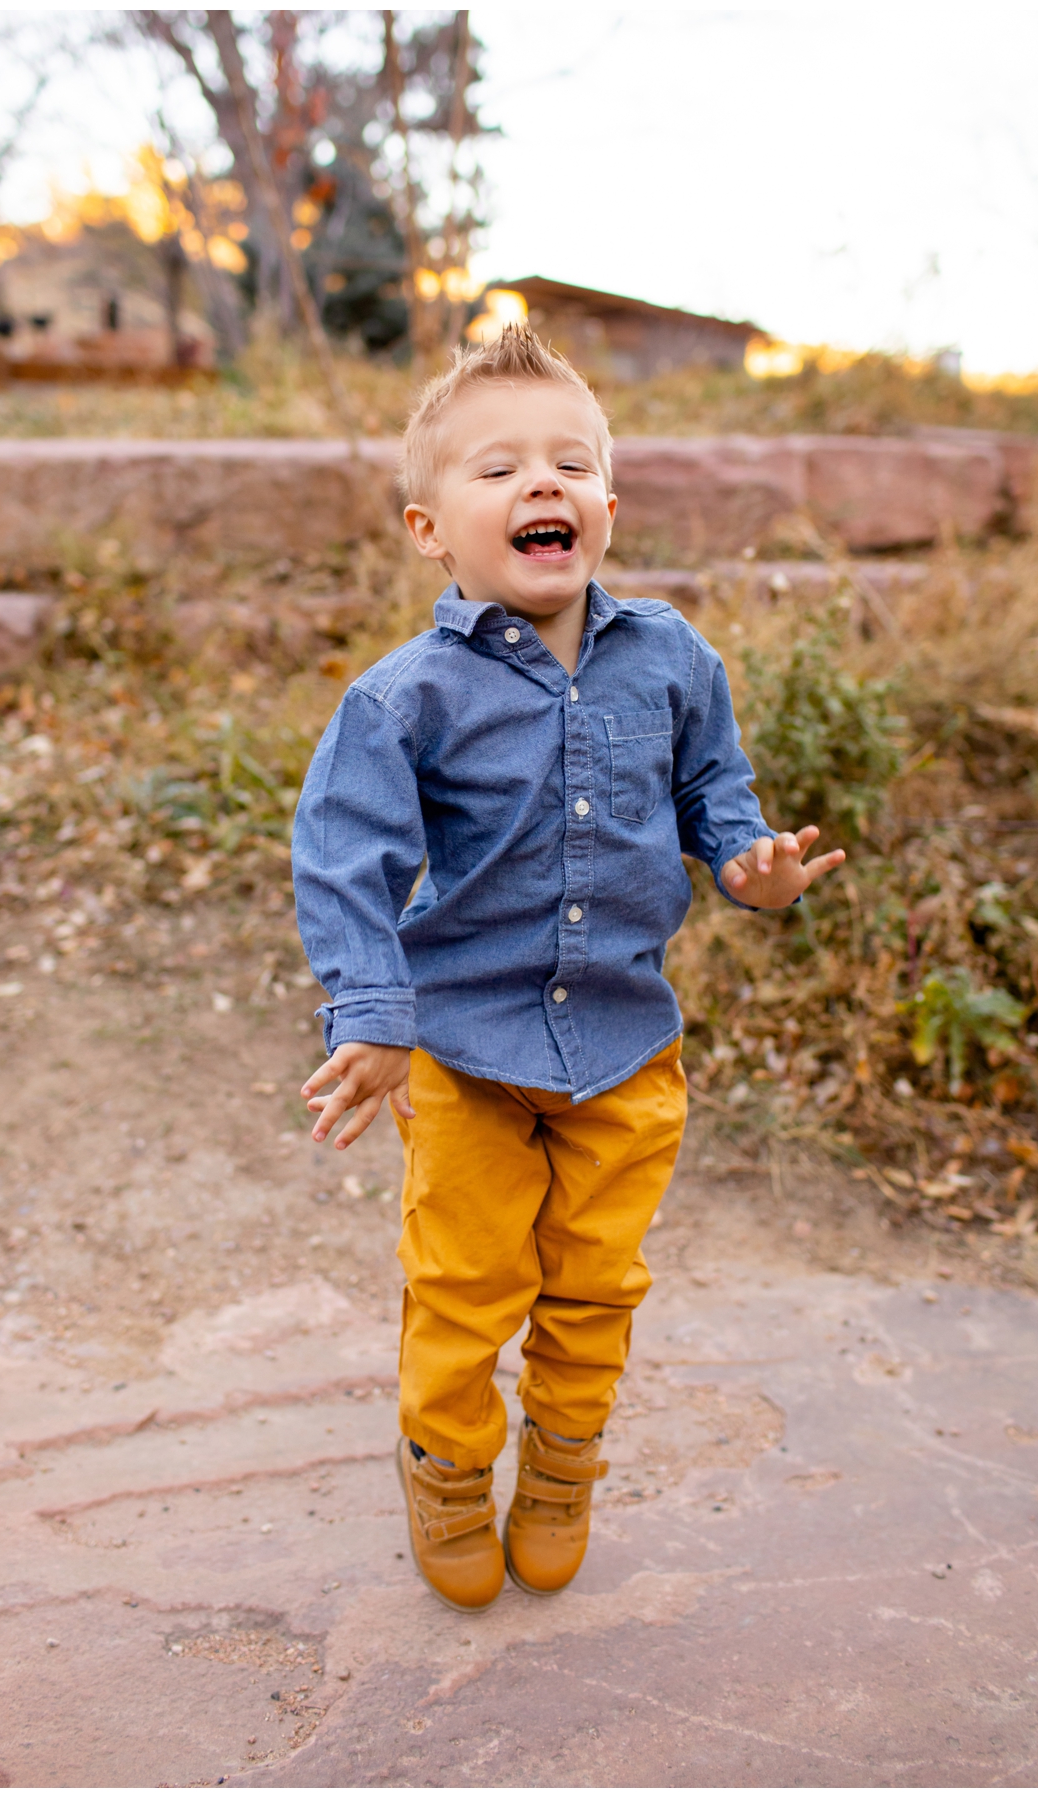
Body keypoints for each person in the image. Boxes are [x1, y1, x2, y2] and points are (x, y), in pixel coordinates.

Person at [291, 325, 844, 1613]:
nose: (544, 485)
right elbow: (345, 859)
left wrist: (748, 862)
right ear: (431, 528)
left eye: (571, 463)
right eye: (501, 470)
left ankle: (561, 1464)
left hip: (625, 1045)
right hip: (469, 1052)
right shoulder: (402, 700)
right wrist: (371, 1019)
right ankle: (446, 1461)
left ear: (608, 503)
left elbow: (717, 790)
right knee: (467, 1281)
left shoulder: (672, 660)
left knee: (595, 1282)